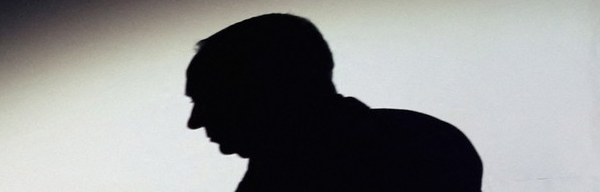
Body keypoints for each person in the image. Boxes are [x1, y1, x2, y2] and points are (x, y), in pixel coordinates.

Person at [184, 13, 483, 192]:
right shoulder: (425, 139)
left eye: (209, 99)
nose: (195, 121)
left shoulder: (418, 147)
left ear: (266, 91)